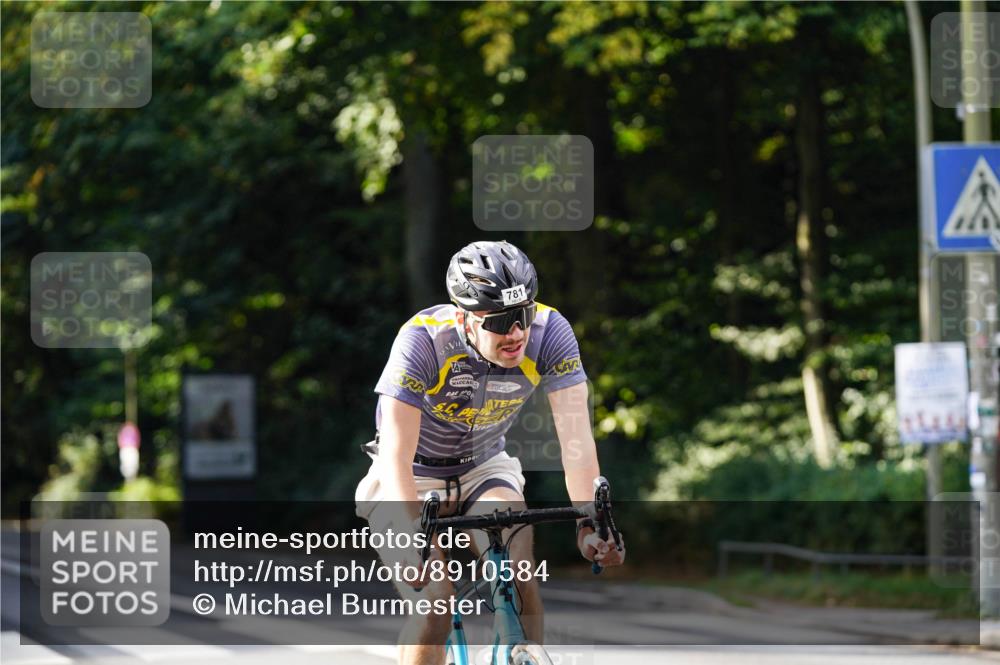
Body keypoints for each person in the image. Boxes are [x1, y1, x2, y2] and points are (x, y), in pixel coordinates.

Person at [355, 240, 625, 665]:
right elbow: (395, 455)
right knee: (436, 604)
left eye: (523, 314)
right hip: (410, 473)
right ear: (463, 318)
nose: (516, 332)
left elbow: (576, 441)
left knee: (521, 579)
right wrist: (412, 542)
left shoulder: (551, 332)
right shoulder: (422, 340)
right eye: (499, 321)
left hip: (484, 466)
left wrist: (589, 524)